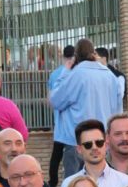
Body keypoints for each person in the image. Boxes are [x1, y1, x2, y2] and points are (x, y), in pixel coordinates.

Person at [49, 38, 122, 179]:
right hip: (101, 140)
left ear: (76, 55)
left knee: (76, 184)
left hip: (77, 141)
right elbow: (117, 109)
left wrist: (65, 72)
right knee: (103, 181)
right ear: (93, 53)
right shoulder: (110, 75)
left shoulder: (75, 75)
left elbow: (56, 100)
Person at [59, 119, 128, 187]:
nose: (94, 147)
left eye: (99, 143)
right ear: (79, 149)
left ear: (106, 145)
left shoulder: (124, 182)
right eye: (88, 144)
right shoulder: (68, 184)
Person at [48, 44, 76, 187]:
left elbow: (50, 99)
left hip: (59, 121)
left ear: (63, 56)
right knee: (73, 158)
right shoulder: (75, 72)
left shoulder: (54, 74)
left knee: (56, 155)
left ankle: (52, 185)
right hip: (72, 123)